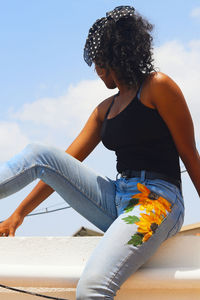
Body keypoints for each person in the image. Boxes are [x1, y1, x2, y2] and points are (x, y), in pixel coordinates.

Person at [0, 5, 199, 299]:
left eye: (98, 62)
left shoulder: (158, 87)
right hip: (116, 198)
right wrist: (18, 214)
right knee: (40, 153)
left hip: (157, 202)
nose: (96, 70)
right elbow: (58, 165)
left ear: (114, 58)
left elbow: (190, 155)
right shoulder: (104, 110)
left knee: (93, 287)